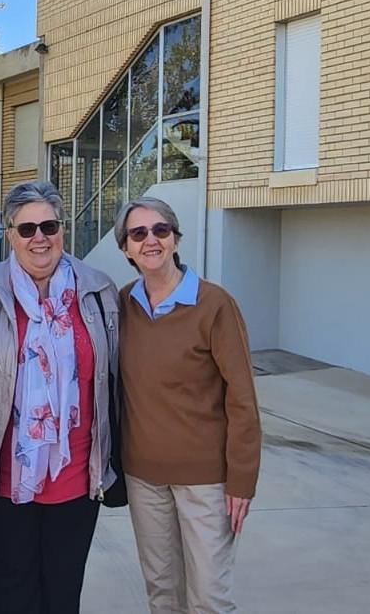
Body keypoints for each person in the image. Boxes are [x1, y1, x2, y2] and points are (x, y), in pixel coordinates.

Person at [0, 180, 120, 614]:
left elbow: (115, 376)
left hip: (75, 476)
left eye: (48, 226)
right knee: (7, 595)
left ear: (63, 230)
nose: (39, 238)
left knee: (62, 593)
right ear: (9, 234)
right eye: (26, 228)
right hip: (2, 476)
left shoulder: (98, 289)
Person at [114, 197, 262, 614]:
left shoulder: (215, 305)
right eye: (137, 233)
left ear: (176, 239)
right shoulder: (122, 306)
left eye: (161, 230)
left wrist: (242, 479)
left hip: (205, 482)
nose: (150, 240)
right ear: (125, 248)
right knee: (163, 594)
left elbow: (242, 397)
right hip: (144, 478)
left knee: (209, 599)